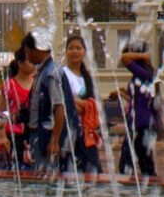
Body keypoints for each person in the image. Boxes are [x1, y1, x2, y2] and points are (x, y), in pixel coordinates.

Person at [29, 33, 98, 176]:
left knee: (88, 172)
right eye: (71, 48)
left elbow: (93, 104)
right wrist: (82, 105)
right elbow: (63, 103)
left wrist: (80, 104)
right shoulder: (61, 73)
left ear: (84, 51)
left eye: (78, 48)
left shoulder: (87, 77)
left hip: (84, 132)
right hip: (66, 130)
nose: (74, 51)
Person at [117, 40, 161, 180]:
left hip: (143, 124)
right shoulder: (143, 73)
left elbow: (124, 59)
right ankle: (143, 192)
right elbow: (137, 100)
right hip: (139, 123)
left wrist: (143, 56)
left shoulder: (144, 72)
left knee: (137, 162)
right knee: (136, 161)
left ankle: (147, 191)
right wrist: (123, 94)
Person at [6, 35, 46, 172]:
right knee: (17, 167)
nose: (32, 64)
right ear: (20, 63)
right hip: (14, 133)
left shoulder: (37, 81)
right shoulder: (9, 84)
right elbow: (1, 111)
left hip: (32, 130)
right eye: (28, 61)